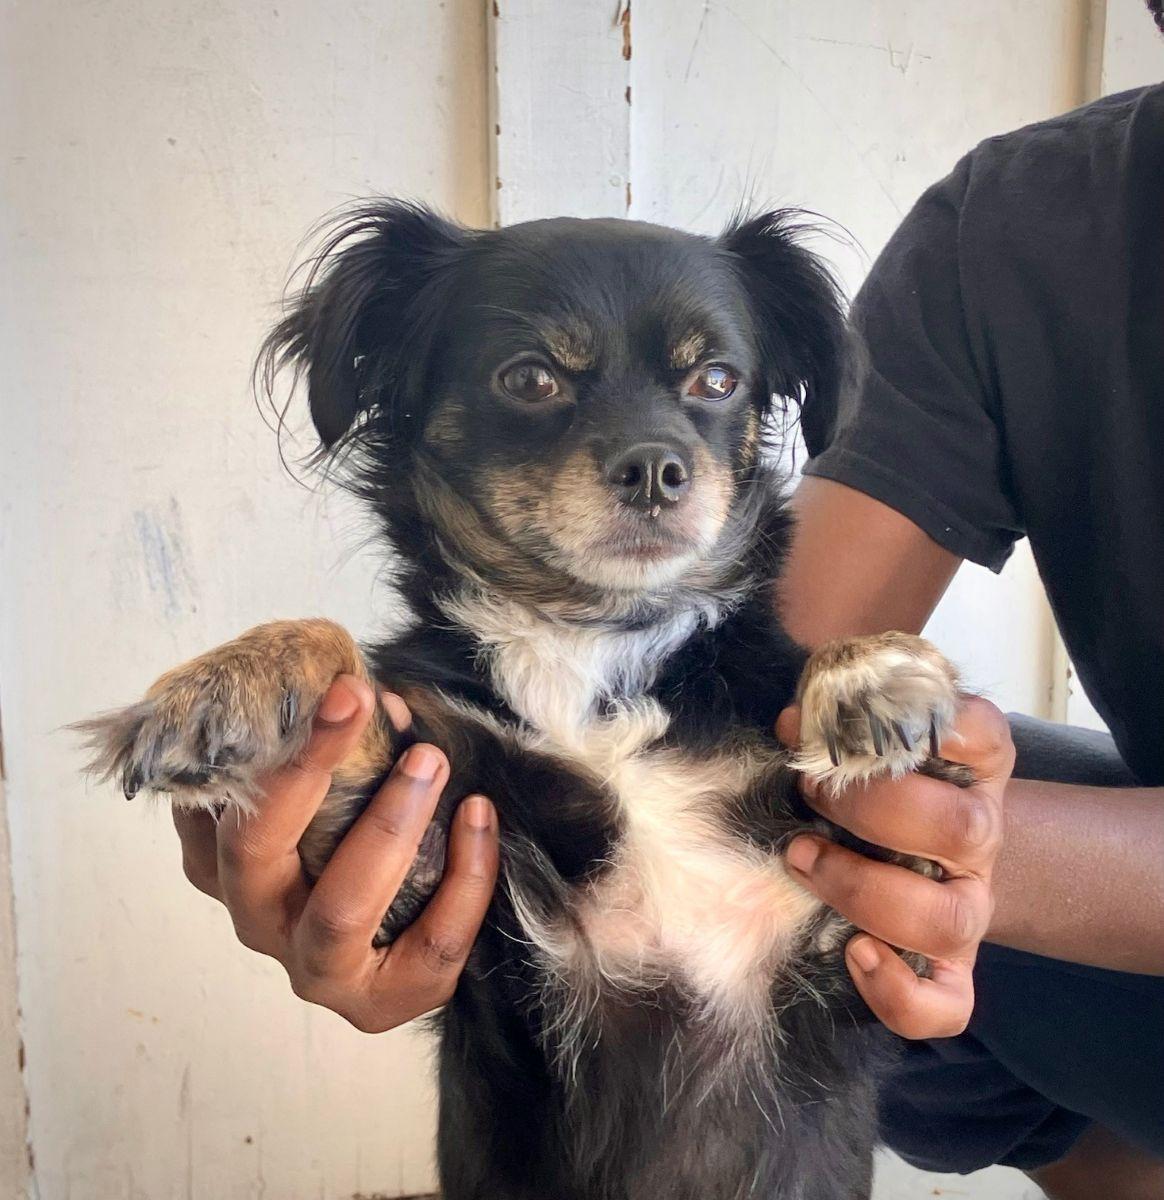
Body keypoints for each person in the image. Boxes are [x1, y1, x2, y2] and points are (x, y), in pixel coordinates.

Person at [171, 27, 1164, 1200]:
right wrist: (290, 788)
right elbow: (783, 674)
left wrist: (923, 814)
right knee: (907, 767)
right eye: (535, 381)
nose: (655, 453)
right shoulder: (1027, 218)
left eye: (708, 387)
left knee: (918, 779)